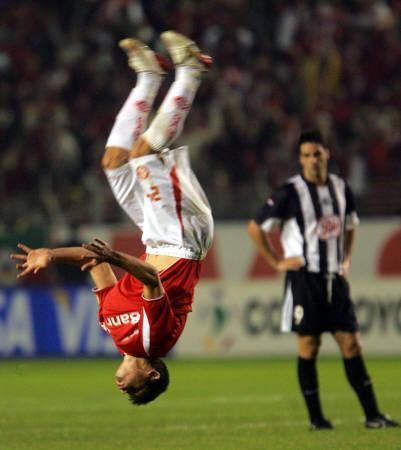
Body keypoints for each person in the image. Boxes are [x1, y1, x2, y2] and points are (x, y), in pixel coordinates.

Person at [11, 31, 214, 405]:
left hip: (156, 236)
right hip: (183, 241)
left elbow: (95, 263)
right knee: (143, 155)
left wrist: (51, 254)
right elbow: (151, 278)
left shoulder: (113, 328)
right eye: (136, 389)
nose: (123, 388)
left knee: (114, 163)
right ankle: (191, 71)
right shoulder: (154, 341)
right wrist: (115, 256)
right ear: (152, 374)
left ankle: (150, 76)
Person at [248, 129, 400, 430]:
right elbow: (255, 227)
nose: (313, 160)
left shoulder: (341, 188)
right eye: (306, 155)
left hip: (334, 277)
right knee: (309, 344)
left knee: (352, 344)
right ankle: (317, 419)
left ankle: (373, 415)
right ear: (300, 159)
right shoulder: (290, 192)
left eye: (317, 154)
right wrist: (277, 261)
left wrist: (346, 258)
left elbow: (351, 225)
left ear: (327, 154)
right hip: (305, 278)